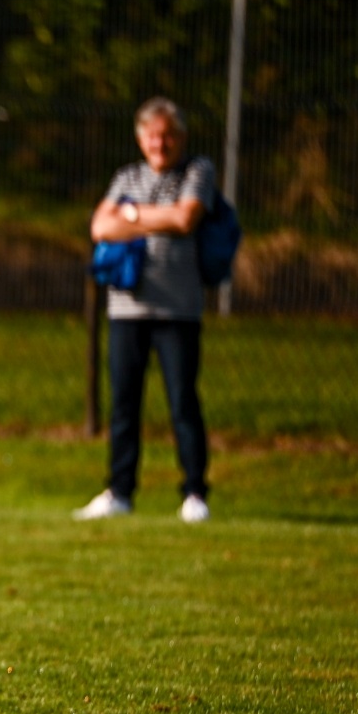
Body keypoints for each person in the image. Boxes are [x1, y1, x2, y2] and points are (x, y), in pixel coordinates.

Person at [75, 96, 214, 524]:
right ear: (141, 139)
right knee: (123, 404)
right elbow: (101, 227)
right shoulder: (126, 176)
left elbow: (186, 219)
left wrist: (132, 215)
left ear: (181, 138)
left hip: (178, 310)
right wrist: (156, 215)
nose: (161, 143)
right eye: (153, 135)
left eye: (168, 135)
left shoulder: (197, 171)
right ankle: (120, 490)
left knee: (182, 402)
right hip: (127, 309)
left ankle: (194, 492)